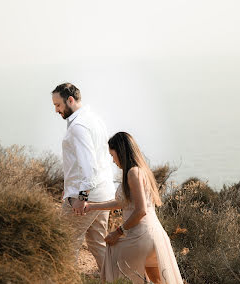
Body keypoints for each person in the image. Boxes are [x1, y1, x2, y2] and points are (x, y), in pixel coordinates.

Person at [85, 132, 183, 284]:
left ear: (121, 151)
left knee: (113, 258)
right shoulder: (140, 170)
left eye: (113, 155)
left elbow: (141, 210)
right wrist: (91, 207)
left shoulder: (133, 173)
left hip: (141, 236)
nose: (112, 160)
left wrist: (117, 233)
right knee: (157, 280)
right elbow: (122, 203)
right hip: (155, 235)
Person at [51, 83, 115, 271]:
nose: (56, 110)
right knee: (98, 243)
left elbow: (88, 166)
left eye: (58, 105)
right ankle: (115, 280)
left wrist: (82, 196)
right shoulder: (94, 118)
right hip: (104, 192)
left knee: (65, 243)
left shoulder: (78, 127)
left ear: (70, 100)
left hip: (86, 196)